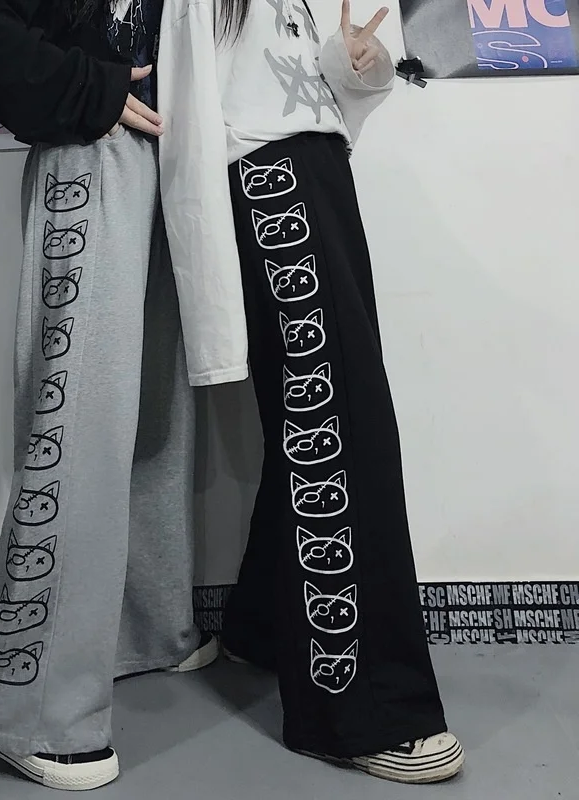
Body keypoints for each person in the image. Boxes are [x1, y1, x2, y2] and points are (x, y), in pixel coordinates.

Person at [157, 0, 465, 784]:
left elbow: (316, 96)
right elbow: (192, 123)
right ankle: (359, 708)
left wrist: (355, 65)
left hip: (321, 176)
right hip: (269, 187)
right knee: (343, 426)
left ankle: (264, 626)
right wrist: (211, 316)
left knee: (324, 418)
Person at [0, 0, 219, 790]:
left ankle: (142, 629)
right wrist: (88, 90)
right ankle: (30, 709)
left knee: (155, 414)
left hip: (171, 161)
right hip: (91, 151)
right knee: (81, 417)